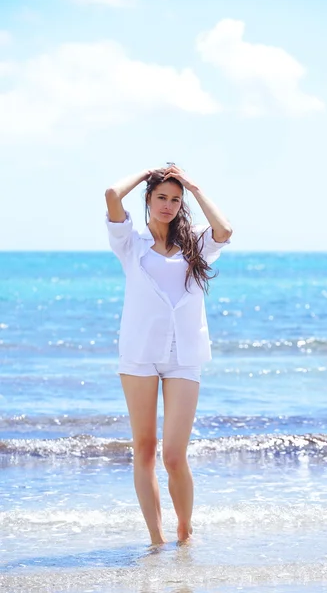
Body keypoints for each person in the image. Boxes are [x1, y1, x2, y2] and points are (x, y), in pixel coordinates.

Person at [104, 164, 233, 546]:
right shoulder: (130, 243)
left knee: (174, 456)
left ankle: (184, 529)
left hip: (184, 355)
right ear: (148, 199)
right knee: (143, 449)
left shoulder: (195, 242)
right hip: (139, 354)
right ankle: (157, 539)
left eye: (176, 200)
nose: (169, 205)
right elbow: (112, 194)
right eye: (161, 197)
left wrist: (193, 185)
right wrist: (146, 173)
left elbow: (224, 230)